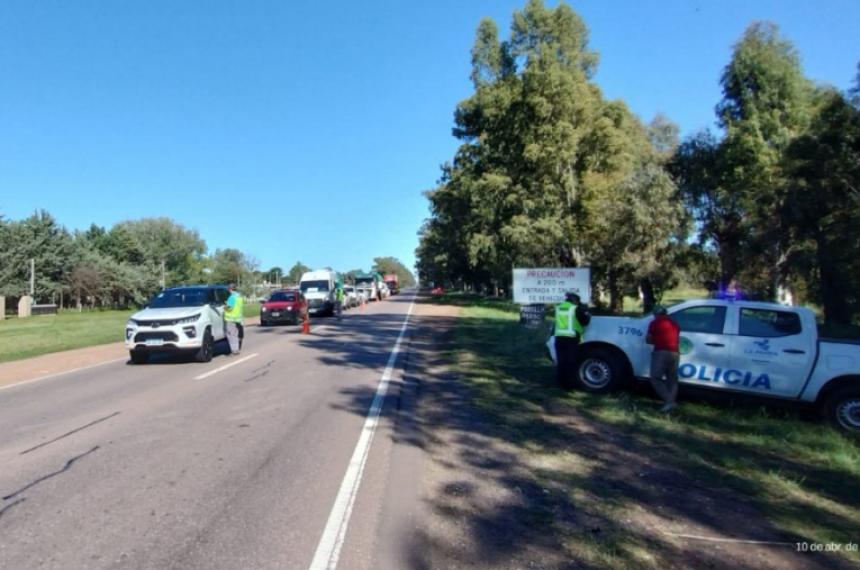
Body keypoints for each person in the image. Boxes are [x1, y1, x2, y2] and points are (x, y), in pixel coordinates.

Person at [646, 305, 681, 412]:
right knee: (672, 379)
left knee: (656, 377)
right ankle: (670, 404)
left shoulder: (654, 323)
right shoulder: (675, 324)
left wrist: (656, 341)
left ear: (656, 314)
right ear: (666, 313)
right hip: (675, 353)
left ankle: (670, 401)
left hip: (661, 352)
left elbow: (648, 339)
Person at [554, 291, 591, 388]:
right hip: (571, 339)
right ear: (575, 300)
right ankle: (569, 385)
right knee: (570, 362)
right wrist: (586, 311)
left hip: (559, 338)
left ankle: (560, 383)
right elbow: (585, 321)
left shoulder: (558, 307)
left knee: (561, 362)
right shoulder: (576, 308)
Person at [224, 283, 244, 355]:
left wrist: (225, 307)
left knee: (231, 335)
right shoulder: (239, 297)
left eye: (229, 289)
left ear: (230, 289)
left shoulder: (231, 297)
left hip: (231, 319)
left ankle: (234, 350)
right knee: (235, 334)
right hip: (238, 319)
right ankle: (237, 349)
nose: (228, 291)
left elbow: (229, 308)